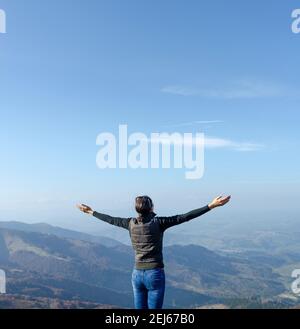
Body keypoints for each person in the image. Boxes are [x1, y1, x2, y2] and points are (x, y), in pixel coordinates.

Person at [77, 194, 231, 309]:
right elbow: (185, 217)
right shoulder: (159, 223)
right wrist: (210, 206)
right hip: (154, 274)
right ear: (151, 208)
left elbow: (109, 219)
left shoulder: (129, 223)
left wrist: (91, 212)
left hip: (136, 274)